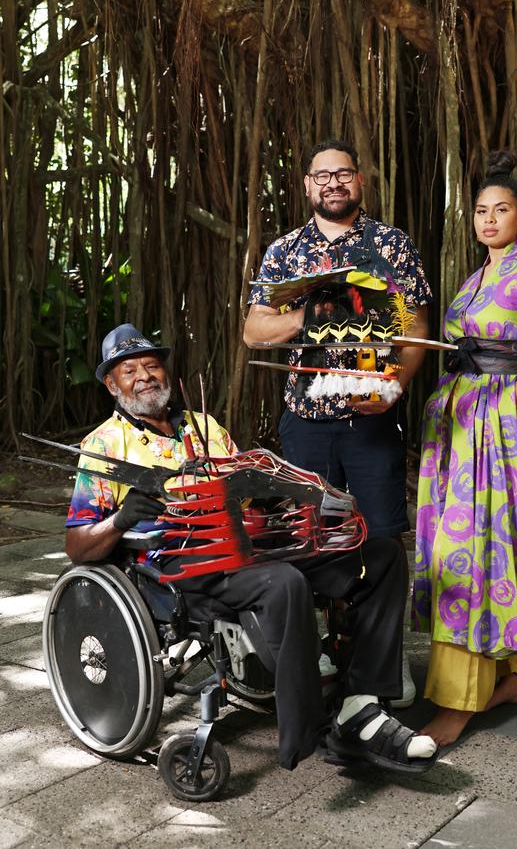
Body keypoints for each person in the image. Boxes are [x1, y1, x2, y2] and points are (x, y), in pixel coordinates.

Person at [66, 323, 437, 773]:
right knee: (283, 582)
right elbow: (78, 545)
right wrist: (122, 518)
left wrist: (277, 495)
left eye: (152, 365)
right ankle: (314, 728)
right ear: (112, 384)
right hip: (186, 566)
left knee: (379, 555)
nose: (145, 376)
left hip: (251, 543)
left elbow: (245, 493)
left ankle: (360, 701)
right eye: (130, 370)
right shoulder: (105, 445)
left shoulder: (205, 427)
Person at [244, 138, 433, 707]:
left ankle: (383, 657)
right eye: (321, 175)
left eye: (343, 174)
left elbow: (416, 324)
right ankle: (320, 648)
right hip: (306, 418)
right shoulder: (284, 252)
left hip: (372, 418)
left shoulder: (390, 245)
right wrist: (316, 307)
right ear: (306, 185)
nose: (332, 184)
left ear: (360, 180)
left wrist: (397, 383)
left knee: (379, 536)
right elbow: (255, 331)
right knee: (307, 535)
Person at [412, 151, 517, 746]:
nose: (488, 219)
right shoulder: (474, 278)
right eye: (481, 210)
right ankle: (509, 678)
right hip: (459, 425)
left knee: (472, 549)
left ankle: (457, 702)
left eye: (500, 209)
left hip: (500, 430)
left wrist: (504, 407)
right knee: (477, 540)